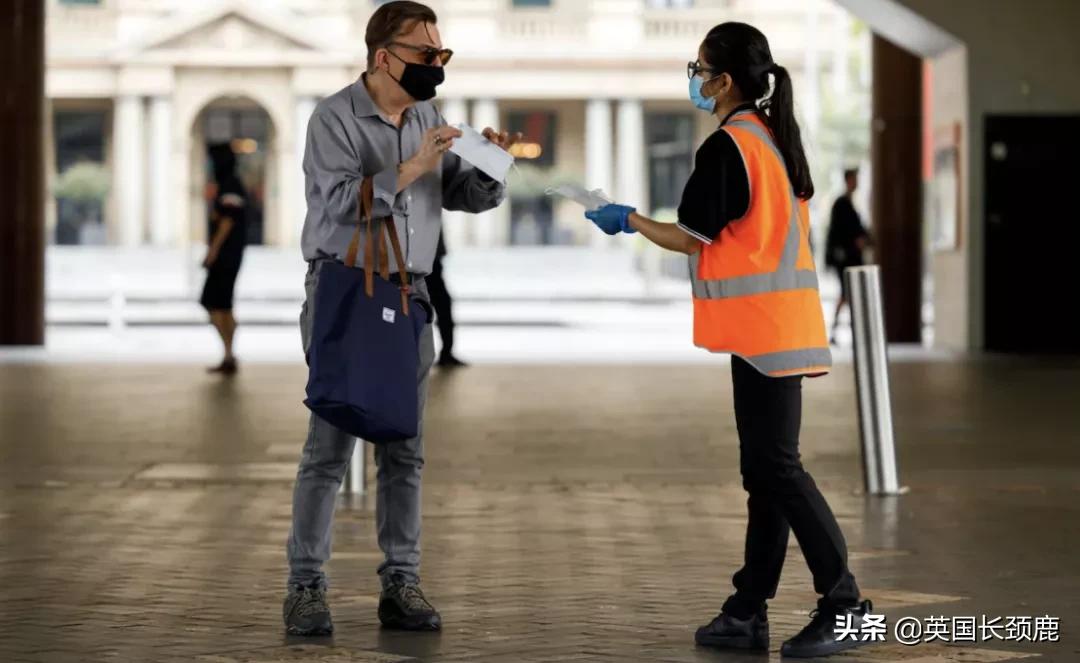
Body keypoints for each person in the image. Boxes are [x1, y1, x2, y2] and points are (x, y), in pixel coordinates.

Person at [582, 22, 874, 659]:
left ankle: (845, 603)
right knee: (764, 471)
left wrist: (626, 219)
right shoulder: (771, 139)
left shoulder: (729, 146)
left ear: (725, 79)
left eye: (700, 66)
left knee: (778, 468)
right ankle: (747, 609)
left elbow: (692, 236)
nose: (694, 77)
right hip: (777, 325)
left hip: (765, 330)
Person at [283, 0, 520, 636]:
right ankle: (306, 587)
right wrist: (414, 162)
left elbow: (456, 196)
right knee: (328, 448)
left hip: (409, 298)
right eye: (425, 55)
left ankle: (402, 582)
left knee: (405, 448)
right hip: (345, 291)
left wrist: (490, 167)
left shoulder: (427, 113)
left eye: (442, 56)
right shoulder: (333, 118)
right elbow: (336, 204)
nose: (435, 68)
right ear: (384, 56)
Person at [200, 143, 248, 375]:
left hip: (226, 256)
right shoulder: (227, 185)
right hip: (227, 255)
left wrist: (213, 251)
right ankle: (228, 353)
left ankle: (229, 350)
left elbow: (227, 222)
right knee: (220, 304)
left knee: (215, 302)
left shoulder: (230, 185)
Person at [825, 168, 871, 343]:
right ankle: (842, 331)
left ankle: (841, 331)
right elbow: (843, 231)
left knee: (847, 294)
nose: (857, 182)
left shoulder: (849, 203)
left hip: (849, 257)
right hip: (845, 258)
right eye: (854, 179)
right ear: (848, 180)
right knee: (847, 294)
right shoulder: (842, 204)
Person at [426, 229, 465, 367]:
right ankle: (445, 353)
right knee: (442, 309)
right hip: (424, 266)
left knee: (444, 310)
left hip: (433, 264)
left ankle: (446, 353)